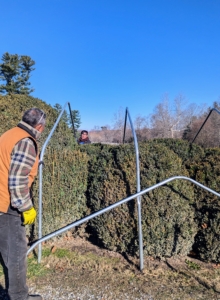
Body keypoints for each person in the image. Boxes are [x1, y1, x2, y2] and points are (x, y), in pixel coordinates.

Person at [0, 108, 46, 300]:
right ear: (40, 126)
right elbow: (17, 180)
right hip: (7, 205)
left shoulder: (9, 134)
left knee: (6, 252)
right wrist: (26, 207)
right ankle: (19, 297)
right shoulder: (26, 141)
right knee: (16, 255)